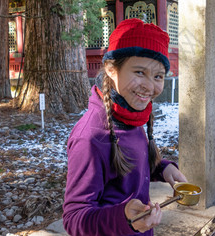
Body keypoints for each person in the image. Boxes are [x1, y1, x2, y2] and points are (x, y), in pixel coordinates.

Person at [63, 18, 187, 235]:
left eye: (158, 76)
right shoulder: (91, 138)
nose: (150, 86)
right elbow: (74, 219)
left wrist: (162, 168)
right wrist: (124, 220)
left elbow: (128, 165)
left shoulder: (130, 114)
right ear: (111, 69)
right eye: (139, 72)